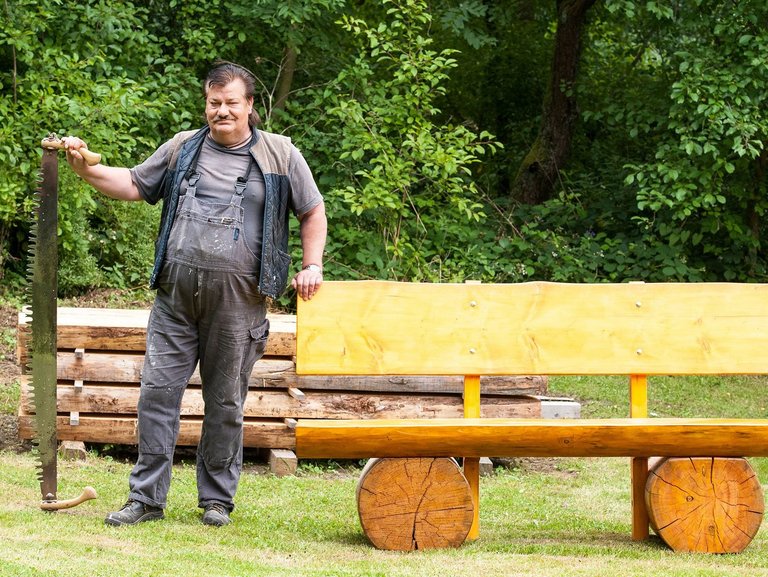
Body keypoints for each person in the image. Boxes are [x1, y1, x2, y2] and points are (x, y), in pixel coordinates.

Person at [63, 61, 327, 527]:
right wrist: (86, 170)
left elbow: (312, 210)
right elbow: (130, 183)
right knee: (157, 395)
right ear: (206, 103)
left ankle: (216, 500)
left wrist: (312, 265)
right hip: (175, 300)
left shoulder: (281, 155)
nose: (221, 111)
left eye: (230, 103)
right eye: (213, 103)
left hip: (240, 302)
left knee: (224, 402)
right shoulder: (183, 148)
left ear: (250, 106)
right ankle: (145, 499)